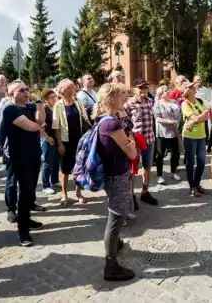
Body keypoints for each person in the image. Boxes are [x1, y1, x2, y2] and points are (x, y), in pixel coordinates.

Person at [91, 83, 137, 281]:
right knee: (116, 217)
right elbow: (132, 153)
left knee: (116, 211)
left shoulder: (103, 120)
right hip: (117, 174)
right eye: (119, 96)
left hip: (113, 172)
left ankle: (115, 243)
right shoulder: (111, 123)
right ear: (110, 99)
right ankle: (111, 266)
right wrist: (132, 143)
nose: (123, 98)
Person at [0, 82, 44, 246]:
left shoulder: (30, 107)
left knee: (30, 189)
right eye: (21, 90)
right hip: (19, 157)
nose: (27, 92)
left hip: (34, 154)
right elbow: (33, 126)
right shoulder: (10, 109)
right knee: (24, 192)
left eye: (27, 89)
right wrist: (38, 122)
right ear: (11, 94)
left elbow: (41, 120)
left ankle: (27, 219)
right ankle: (22, 230)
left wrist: (39, 104)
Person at [53, 79, 90, 207]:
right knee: (64, 169)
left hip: (79, 141)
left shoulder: (78, 102)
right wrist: (59, 144)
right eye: (69, 88)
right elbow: (56, 126)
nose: (72, 90)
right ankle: (64, 194)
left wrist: (91, 131)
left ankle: (79, 193)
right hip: (65, 141)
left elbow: (85, 120)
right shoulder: (58, 105)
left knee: (79, 167)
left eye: (73, 87)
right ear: (63, 90)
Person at [124, 78, 159, 205]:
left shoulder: (150, 101)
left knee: (147, 166)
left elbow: (152, 120)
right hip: (135, 140)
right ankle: (131, 195)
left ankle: (145, 191)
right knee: (133, 169)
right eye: (140, 88)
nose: (143, 90)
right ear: (134, 89)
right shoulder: (128, 104)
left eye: (145, 87)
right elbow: (125, 123)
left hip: (149, 139)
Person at [181, 82, 209, 197]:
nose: (195, 88)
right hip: (189, 136)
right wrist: (197, 118)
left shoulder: (199, 101)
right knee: (190, 162)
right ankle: (192, 186)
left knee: (202, 162)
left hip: (201, 135)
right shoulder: (185, 104)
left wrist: (195, 120)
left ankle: (197, 184)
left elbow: (206, 116)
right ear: (188, 90)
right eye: (192, 87)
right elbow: (196, 117)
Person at [153, 85, 181, 184]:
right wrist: (170, 122)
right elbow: (158, 119)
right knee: (160, 154)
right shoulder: (157, 104)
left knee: (175, 153)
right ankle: (159, 175)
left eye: (168, 90)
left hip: (174, 131)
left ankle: (173, 172)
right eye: (165, 91)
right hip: (162, 132)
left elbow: (179, 114)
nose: (168, 91)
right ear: (161, 94)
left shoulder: (175, 102)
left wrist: (177, 123)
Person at [40, 89, 60, 194]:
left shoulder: (55, 108)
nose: (54, 98)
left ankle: (55, 181)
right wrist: (47, 137)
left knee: (56, 161)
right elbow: (40, 125)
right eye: (51, 97)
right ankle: (45, 185)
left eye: (55, 96)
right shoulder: (44, 108)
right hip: (48, 138)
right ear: (46, 99)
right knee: (47, 161)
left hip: (56, 137)